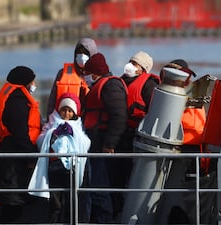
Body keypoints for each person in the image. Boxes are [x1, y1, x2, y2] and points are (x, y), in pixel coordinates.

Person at [155, 59, 215, 224]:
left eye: (187, 76)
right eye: (183, 76)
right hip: (181, 150)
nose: (187, 80)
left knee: (193, 195)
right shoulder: (168, 96)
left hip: (197, 151)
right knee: (179, 195)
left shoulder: (195, 96)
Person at [0, 66, 49, 224]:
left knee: (11, 202)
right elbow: (20, 132)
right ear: (25, 82)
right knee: (12, 201)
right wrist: (30, 156)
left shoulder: (14, 96)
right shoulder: (18, 101)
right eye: (32, 81)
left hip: (9, 153)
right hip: (13, 159)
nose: (33, 84)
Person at [110, 51, 161, 221]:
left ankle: (130, 210)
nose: (130, 65)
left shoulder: (148, 85)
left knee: (132, 176)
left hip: (137, 137)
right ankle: (116, 209)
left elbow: (154, 110)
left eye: (135, 63)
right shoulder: (120, 81)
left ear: (143, 69)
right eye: (130, 61)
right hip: (120, 137)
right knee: (116, 176)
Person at [28, 92, 91, 223]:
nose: (66, 114)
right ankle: (55, 221)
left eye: (69, 111)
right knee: (55, 201)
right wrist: (53, 134)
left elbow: (86, 143)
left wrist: (74, 134)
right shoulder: (51, 123)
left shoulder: (78, 126)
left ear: (74, 113)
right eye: (64, 110)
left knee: (71, 200)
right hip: (54, 167)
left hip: (72, 169)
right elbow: (40, 140)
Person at [81, 52, 128, 223]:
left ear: (94, 74)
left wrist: (110, 144)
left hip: (103, 146)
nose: (84, 77)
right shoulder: (102, 85)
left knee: (100, 188)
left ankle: (105, 220)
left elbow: (119, 116)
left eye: (86, 74)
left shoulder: (110, 86)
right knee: (96, 187)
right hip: (96, 144)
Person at [46, 37, 98, 117]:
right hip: (66, 120)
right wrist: (49, 120)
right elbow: (52, 101)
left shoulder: (97, 74)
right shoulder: (62, 73)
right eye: (79, 53)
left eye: (86, 53)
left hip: (89, 121)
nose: (82, 56)